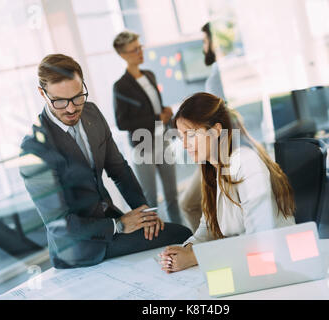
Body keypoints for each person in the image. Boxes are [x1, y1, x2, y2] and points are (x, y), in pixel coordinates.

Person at [19, 54, 192, 269]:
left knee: (179, 235)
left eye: (77, 97)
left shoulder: (91, 113)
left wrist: (144, 212)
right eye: (60, 101)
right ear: (42, 94)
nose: (71, 109)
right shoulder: (34, 149)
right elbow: (60, 226)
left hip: (111, 222)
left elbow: (119, 169)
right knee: (180, 234)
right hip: (79, 246)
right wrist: (118, 225)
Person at [158, 92, 296, 273]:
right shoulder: (214, 169)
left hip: (277, 264)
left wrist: (194, 257)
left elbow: (259, 240)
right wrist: (186, 249)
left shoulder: (247, 165)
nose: (184, 145)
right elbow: (208, 226)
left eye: (190, 135)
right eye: (181, 137)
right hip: (246, 265)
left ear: (215, 131)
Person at [112, 30, 183, 225]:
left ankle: (182, 234)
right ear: (123, 55)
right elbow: (122, 122)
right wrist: (156, 117)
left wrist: (165, 113)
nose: (139, 52)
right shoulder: (121, 86)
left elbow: (153, 108)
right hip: (143, 146)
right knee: (150, 200)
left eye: (140, 47)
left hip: (163, 140)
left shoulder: (150, 75)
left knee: (172, 195)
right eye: (134, 50)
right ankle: (157, 238)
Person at [179, 22, 226, 232]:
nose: (203, 47)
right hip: (218, 150)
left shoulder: (216, 78)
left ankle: (216, 243)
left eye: (205, 40)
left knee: (188, 203)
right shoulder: (220, 73)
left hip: (219, 150)